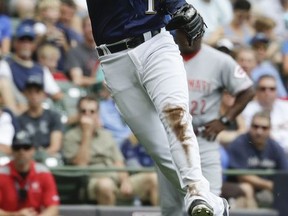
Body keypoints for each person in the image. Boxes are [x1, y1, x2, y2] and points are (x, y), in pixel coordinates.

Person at [86, 1, 229, 216]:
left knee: (175, 115)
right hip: (114, 59)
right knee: (159, 150)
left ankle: (197, 191)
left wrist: (177, 5)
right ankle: (215, 206)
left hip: (155, 44)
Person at [157, 25, 254, 215]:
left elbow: (247, 90)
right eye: (184, 31)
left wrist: (224, 120)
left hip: (204, 139)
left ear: (202, 33)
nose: (190, 36)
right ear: (176, 32)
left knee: (212, 204)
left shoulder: (219, 60)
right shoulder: (162, 58)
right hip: (170, 140)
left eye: (194, 31)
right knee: (171, 208)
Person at [63, 96, 158, 206]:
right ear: (78, 114)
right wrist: (86, 134)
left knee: (153, 178)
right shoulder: (70, 136)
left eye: (92, 111)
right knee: (105, 185)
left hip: (116, 180)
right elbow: (81, 165)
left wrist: (125, 181)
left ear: (97, 115)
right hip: (92, 183)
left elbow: (119, 162)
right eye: (83, 111)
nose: (87, 114)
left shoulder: (106, 135)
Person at [227, 111, 288, 207]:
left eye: (264, 128)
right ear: (249, 127)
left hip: (265, 192)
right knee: (242, 201)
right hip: (239, 188)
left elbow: (284, 173)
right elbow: (241, 175)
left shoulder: (275, 147)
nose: (259, 131)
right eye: (255, 126)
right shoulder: (239, 143)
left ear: (270, 130)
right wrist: (269, 185)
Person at [0, 130, 60, 216]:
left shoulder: (43, 172)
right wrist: (16, 215)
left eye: (26, 147)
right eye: (17, 148)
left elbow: (53, 207)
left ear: (33, 150)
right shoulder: (1, 174)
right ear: (12, 151)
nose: (22, 152)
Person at [18, 75, 64, 166]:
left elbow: (55, 146)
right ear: (25, 94)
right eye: (30, 92)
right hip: (28, 160)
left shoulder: (53, 116)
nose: (34, 96)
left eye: (37, 92)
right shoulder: (20, 119)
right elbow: (20, 145)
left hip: (50, 157)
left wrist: (42, 155)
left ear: (43, 94)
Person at [242, 74, 288, 156]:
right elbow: (253, 135)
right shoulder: (247, 110)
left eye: (272, 89)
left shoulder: (285, 107)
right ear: (256, 91)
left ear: (277, 91)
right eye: (263, 89)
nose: (267, 92)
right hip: (259, 153)